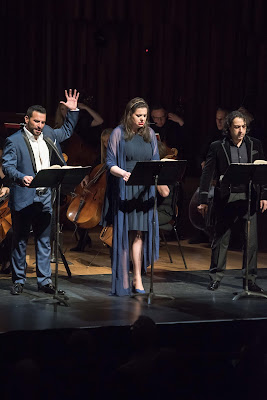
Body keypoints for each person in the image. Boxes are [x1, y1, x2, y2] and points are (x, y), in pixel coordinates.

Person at [2, 89, 80, 295]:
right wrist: (20, 176)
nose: (40, 126)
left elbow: (67, 131)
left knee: (44, 240)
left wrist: (72, 112)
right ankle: (18, 280)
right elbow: (7, 166)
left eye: (43, 122)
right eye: (36, 122)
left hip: (45, 197)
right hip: (24, 196)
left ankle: (44, 281)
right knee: (19, 240)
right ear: (27, 119)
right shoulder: (14, 141)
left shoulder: (49, 134)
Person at [102, 97, 169, 296]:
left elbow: (156, 161)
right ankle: (123, 278)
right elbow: (110, 163)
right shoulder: (118, 133)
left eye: (144, 116)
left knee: (139, 234)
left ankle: (137, 277)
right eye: (138, 116)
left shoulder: (149, 133)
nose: (142, 119)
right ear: (129, 115)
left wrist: (161, 184)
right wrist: (122, 173)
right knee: (124, 235)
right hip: (125, 188)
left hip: (144, 189)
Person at [197, 110, 267, 291]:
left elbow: (262, 172)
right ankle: (216, 276)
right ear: (229, 128)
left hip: (249, 196)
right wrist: (203, 198)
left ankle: (249, 279)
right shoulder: (217, 146)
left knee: (251, 241)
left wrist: (264, 195)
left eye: (243, 127)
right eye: (237, 127)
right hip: (226, 196)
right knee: (221, 239)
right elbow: (207, 173)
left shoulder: (255, 144)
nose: (241, 131)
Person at [70, 128, 113, 252]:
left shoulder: (119, 156)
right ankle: (83, 241)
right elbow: (93, 168)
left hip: (110, 194)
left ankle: (111, 246)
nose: (106, 145)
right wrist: (87, 175)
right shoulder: (101, 156)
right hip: (99, 193)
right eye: (104, 142)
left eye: (109, 141)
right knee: (81, 210)